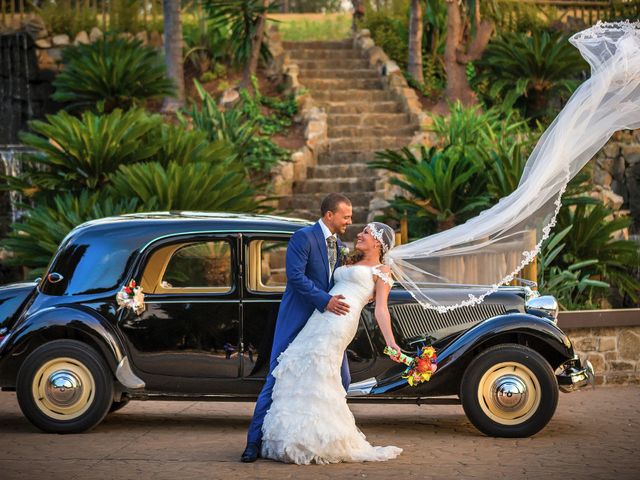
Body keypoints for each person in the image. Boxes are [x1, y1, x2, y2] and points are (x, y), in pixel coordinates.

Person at [260, 222, 403, 464]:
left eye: (366, 233)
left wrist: (392, 342)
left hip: (340, 323)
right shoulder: (349, 260)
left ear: (378, 242)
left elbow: (381, 310)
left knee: (320, 369)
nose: (359, 234)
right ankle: (295, 436)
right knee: (300, 363)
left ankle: (321, 439)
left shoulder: (382, 271)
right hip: (320, 316)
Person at [241, 193, 354, 463]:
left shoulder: (339, 244)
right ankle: (253, 443)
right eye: (346, 216)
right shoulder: (303, 237)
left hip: (326, 326)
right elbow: (295, 277)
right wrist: (325, 301)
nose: (350, 220)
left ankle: (319, 438)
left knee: (343, 379)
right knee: (278, 376)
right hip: (297, 319)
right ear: (330, 215)